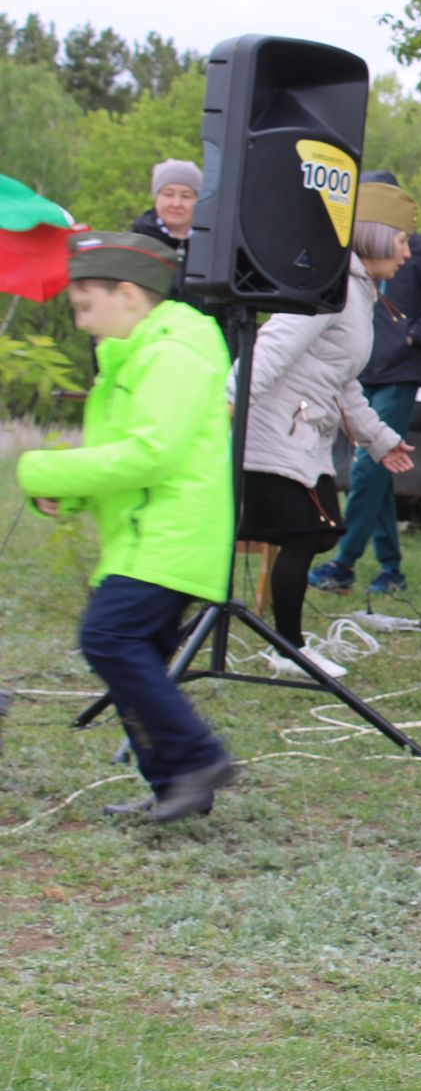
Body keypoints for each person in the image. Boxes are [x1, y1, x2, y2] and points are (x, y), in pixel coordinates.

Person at [15, 233, 236, 822]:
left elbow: (153, 454)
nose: (83, 321)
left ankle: (198, 757)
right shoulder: (130, 358)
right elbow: (120, 456)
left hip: (169, 536)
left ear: (130, 294)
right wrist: (74, 493)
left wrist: (45, 467)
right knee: (130, 660)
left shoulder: (172, 355)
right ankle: (176, 787)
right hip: (145, 535)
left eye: (88, 306)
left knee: (108, 640)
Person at [235, 182, 416, 679]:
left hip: (301, 434)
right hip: (273, 432)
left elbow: (342, 381)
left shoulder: (355, 289)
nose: (407, 251)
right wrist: (230, 401)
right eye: (401, 238)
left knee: (309, 534)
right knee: (302, 532)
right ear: (375, 237)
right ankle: (288, 649)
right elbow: (271, 346)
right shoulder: (329, 287)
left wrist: (380, 440)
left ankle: (287, 646)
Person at [309, 170, 421, 597]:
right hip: (359, 374)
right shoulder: (347, 253)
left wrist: (412, 335)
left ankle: (342, 563)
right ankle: (391, 568)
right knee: (375, 469)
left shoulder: (419, 252)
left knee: (368, 469)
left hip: (398, 375)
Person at [130, 159, 197, 254]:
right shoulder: (135, 243)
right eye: (168, 194)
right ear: (156, 197)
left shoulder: (214, 243)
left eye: (186, 196)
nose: (176, 204)